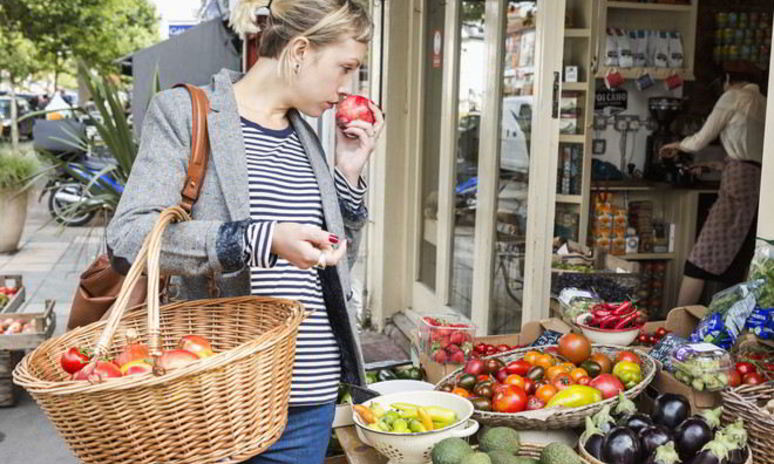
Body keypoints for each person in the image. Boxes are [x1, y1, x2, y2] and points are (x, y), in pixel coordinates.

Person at [105, 1, 383, 463]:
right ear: (299, 51)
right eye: (345, 68)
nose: (348, 87)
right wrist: (258, 239)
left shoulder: (305, 136)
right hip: (216, 398)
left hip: (308, 397)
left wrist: (348, 175)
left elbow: (331, 264)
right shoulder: (186, 113)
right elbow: (129, 237)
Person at [660, 61, 766, 306]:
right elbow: (750, 155)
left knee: (700, 257)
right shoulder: (763, 101)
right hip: (755, 183)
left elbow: (700, 141)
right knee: (739, 256)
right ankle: (724, 322)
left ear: (728, 79)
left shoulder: (733, 97)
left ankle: (678, 323)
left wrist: (677, 145)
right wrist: (714, 166)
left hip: (737, 184)